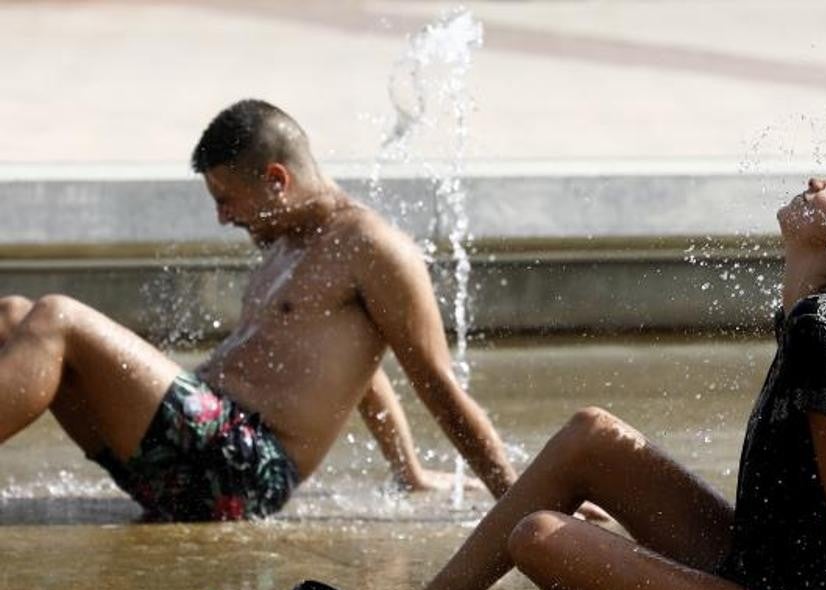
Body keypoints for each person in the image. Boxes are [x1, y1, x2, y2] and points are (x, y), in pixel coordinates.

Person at [308, 174, 826, 590]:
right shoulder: (810, 317)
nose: (817, 180)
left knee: (540, 537)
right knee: (591, 435)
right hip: (766, 579)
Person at [0, 99, 518, 521]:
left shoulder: (374, 248)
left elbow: (438, 384)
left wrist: (522, 499)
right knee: (13, 315)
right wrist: (409, 470)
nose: (222, 217)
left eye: (227, 198)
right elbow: (363, 373)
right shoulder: (287, 244)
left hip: (243, 472)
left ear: (276, 178)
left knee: (55, 318)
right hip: (194, 452)